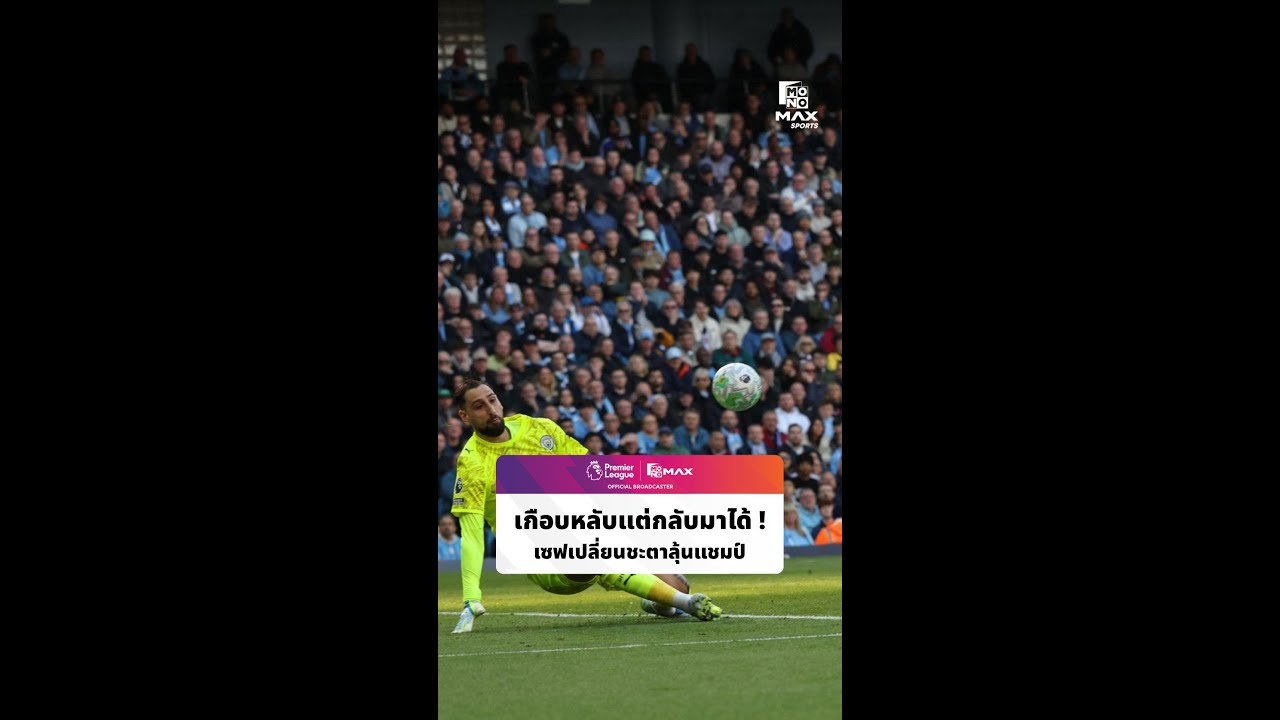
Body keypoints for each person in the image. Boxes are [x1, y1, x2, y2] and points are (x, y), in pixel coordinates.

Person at [449, 377, 723, 633]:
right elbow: (472, 535)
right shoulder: (473, 463)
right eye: (479, 406)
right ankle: (684, 603)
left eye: (492, 400)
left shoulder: (538, 428)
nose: (491, 409)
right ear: (465, 416)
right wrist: (471, 597)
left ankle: (661, 602)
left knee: (677, 585)